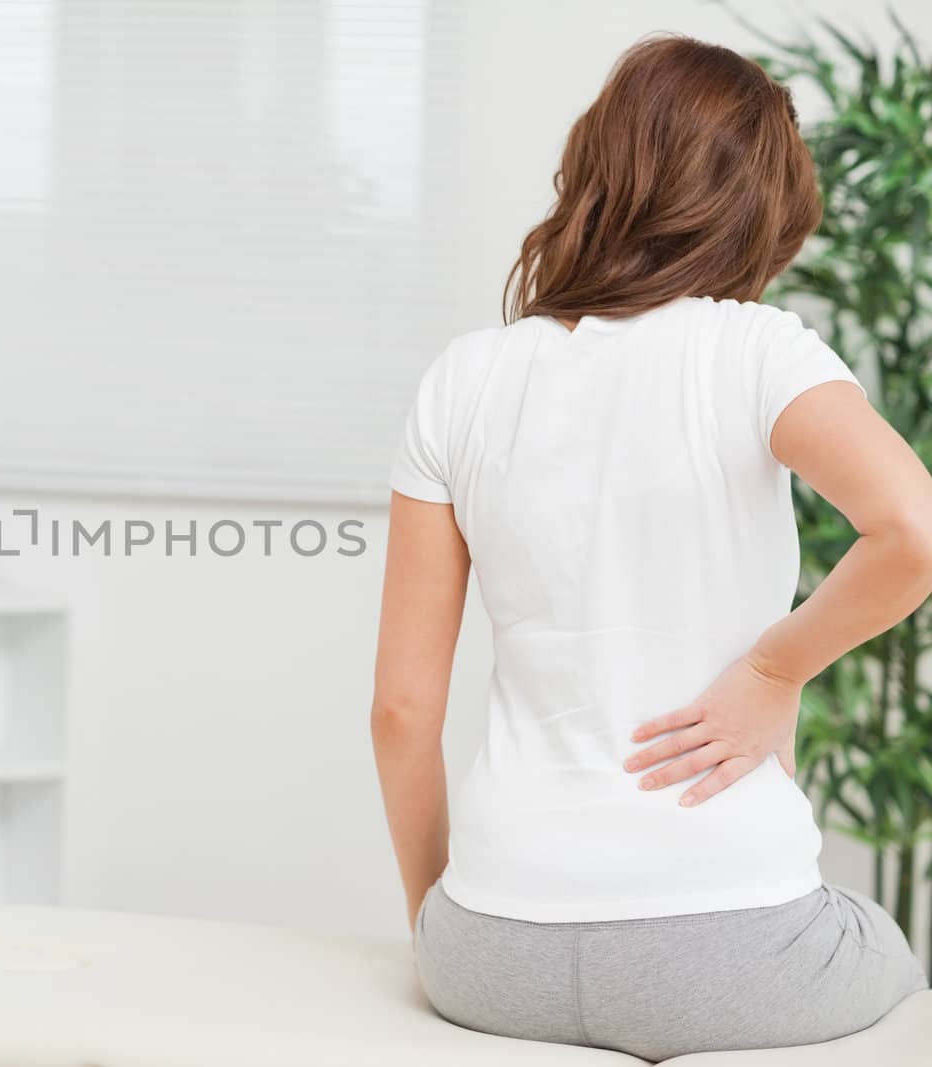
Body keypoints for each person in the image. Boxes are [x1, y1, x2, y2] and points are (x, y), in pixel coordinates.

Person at [370, 34, 931, 1061]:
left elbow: (401, 711)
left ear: (593, 170)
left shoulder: (462, 378)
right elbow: (914, 531)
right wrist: (773, 665)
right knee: (888, 948)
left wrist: (443, 926)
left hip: (490, 950)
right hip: (734, 951)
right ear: (765, 206)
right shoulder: (755, 350)